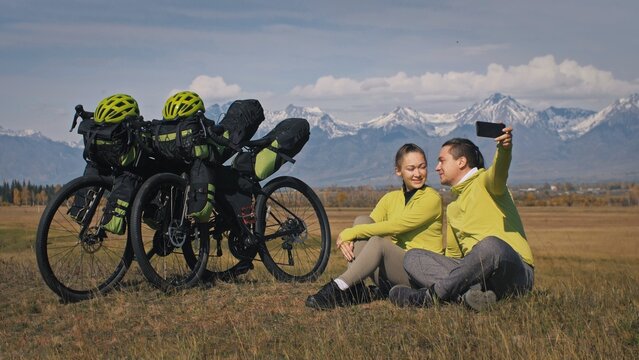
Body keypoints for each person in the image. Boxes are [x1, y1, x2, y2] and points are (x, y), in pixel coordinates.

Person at [388, 126, 534, 311]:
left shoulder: (487, 183)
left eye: (442, 161)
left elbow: (499, 171)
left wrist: (504, 149)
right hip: (477, 277)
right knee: (414, 257)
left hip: (514, 271)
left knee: (491, 245)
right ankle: (469, 298)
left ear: (461, 162)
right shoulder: (453, 208)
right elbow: (454, 257)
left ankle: (430, 297)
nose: (436, 167)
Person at [305, 143, 444, 310]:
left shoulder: (432, 199)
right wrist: (353, 236)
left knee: (378, 242)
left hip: (420, 274)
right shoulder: (390, 198)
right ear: (398, 171)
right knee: (362, 220)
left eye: (422, 167)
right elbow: (368, 225)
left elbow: (397, 226)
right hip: (396, 270)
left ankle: (338, 287)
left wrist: (350, 233)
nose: (418, 173)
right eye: (411, 168)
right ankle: (354, 288)